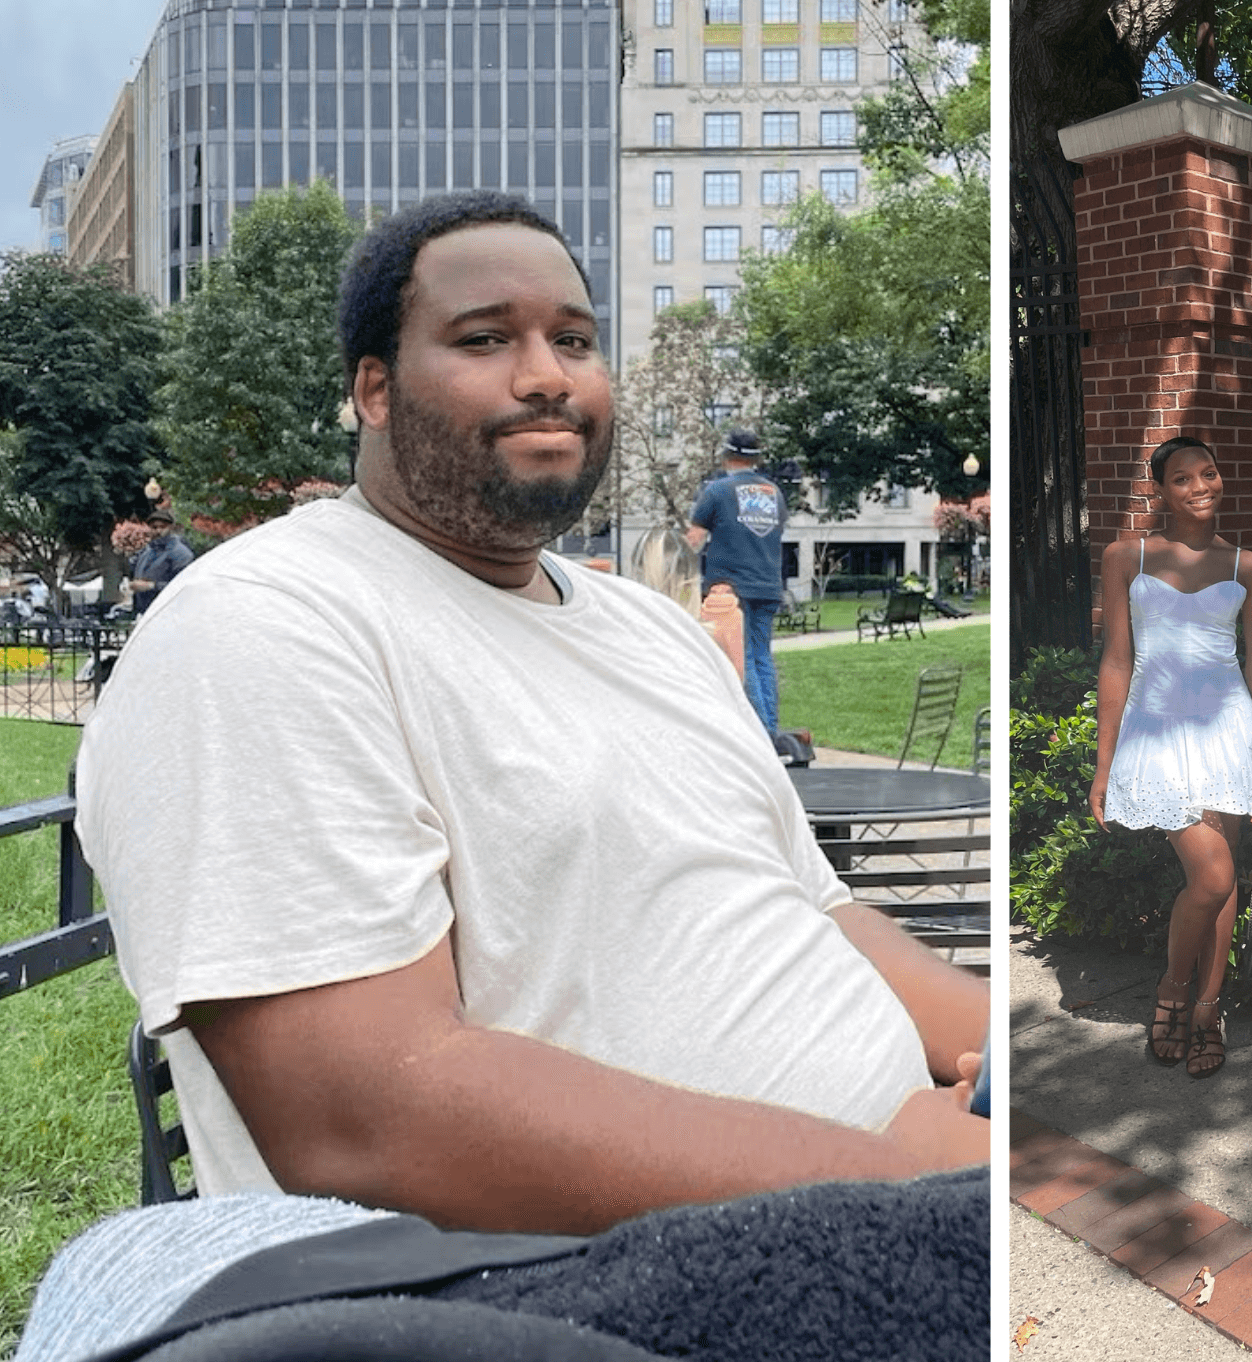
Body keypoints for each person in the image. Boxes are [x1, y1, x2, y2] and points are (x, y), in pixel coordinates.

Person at [55, 192, 985, 1356]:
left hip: (916, 1170)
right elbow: (368, 1116)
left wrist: (1006, 1063)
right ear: (374, 390)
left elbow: (823, 912)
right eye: (484, 338)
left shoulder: (644, 630)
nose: (546, 375)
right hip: (580, 1278)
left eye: (574, 339)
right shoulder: (263, 625)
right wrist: (901, 1176)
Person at [1087, 435, 1252, 1080]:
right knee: (1214, 878)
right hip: (1157, 729)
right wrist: (1104, 761)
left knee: (1222, 872)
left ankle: (1206, 1011)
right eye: (1182, 479)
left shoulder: (1247, 567)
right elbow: (1117, 660)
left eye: (1209, 474)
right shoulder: (1126, 557)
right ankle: (1175, 986)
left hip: (1229, 728)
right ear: (1160, 490)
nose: (1200, 487)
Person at [685, 431, 786, 738]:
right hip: (768, 584)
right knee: (761, 655)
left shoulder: (716, 491)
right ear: (756, 459)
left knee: (740, 658)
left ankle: (760, 733)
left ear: (726, 456)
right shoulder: (774, 493)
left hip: (730, 590)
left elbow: (695, 539)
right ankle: (771, 728)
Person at [127, 508, 193, 615]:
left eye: (162, 527)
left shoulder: (180, 553)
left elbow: (183, 586)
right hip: (145, 613)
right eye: (154, 527)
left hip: (169, 613)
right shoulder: (146, 551)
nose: (158, 531)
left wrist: (152, 586)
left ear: (171, 527)